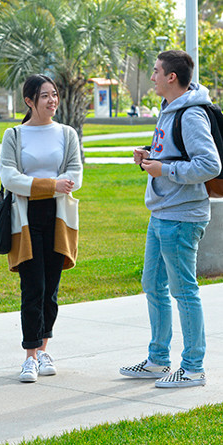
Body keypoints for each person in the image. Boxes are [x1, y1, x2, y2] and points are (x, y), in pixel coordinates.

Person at [120, 50, 221, 388]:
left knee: (183, 291)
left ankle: (193, 368)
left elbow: (210, 165)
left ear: (171, 77)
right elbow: (175, 155)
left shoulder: (191, 115)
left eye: (156, 71)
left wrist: (165, 169)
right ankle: (157, 360)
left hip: (182, 217)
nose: (152, 77)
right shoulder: (167, 111)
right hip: (162, 211)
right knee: (153, 285)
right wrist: (150, 157)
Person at [0, 74, 82, 383]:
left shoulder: (67, 133)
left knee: (51, 288)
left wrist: (43, 186)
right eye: (44, 96)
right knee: (31, 286)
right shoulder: (14, 135)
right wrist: (52, 184)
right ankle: (30, 356)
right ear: (29, 101)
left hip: (59, 217)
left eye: (54, 94)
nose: (52, 100)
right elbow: (9, 177)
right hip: (25, 217)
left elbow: (76, 176)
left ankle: (45, 348)